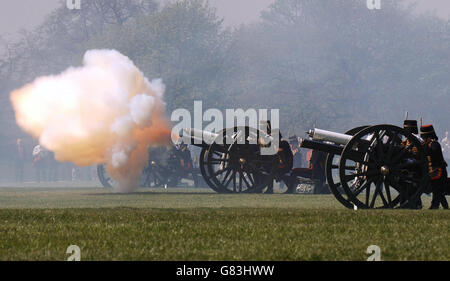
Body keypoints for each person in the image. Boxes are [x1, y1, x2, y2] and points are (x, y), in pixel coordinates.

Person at [420, 125, 448, 209]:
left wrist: (424, 146)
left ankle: (435, 206)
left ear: (428, 137)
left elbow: (432, 152)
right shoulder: (429, 144)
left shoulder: (435, 144)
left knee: (437, 190)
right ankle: (444, 206)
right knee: (437, 191)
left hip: (439, 171)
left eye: (424, 137)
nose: (423, 139)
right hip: (433, 171)